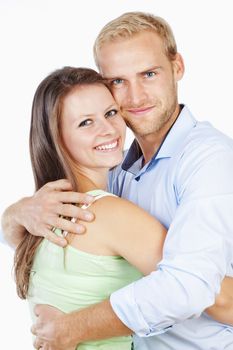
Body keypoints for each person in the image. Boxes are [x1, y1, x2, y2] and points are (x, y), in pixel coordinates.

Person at [2, 11, 233, 350]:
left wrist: (74, 328)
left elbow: (192, 288)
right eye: (118, 82)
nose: (135, 97)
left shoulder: (209, 160)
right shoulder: (118, 169)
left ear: (177, 67)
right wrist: (18, 213)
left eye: (149, 74)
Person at [13, 65, 170, 350]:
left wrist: (12, 214)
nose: (109, 129)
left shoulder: (43, 223)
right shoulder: (106, 214)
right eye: (86, 122)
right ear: (57, 138)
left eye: (110, 113)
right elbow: (199, 289)